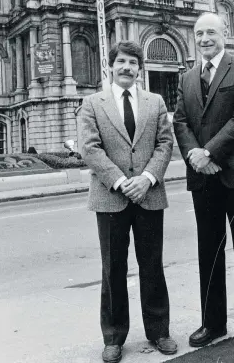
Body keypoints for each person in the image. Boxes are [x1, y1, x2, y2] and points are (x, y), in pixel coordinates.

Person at [173, 13, 234, 362]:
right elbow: (181, 120)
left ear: (225, 34)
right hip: (202, 175)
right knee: (209, 251)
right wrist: (195, 156)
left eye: (211, 32)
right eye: (199, 33)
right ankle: (213, 323)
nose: (204, 38)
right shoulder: (186, 76)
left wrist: (209, 152)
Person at [81, 41, 177, 363]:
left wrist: (147, 178)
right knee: (113, 270)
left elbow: (165, 143)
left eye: (133, 63)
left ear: (140, 68)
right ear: (111, 66)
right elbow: (90, 149)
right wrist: (122, 182)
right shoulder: (93, 103)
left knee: (152, 266)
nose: (127, 68)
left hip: (149, 195)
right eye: (121, 61)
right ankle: (113, 337)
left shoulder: (156, 101)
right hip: (111, 198)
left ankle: (159, 331)